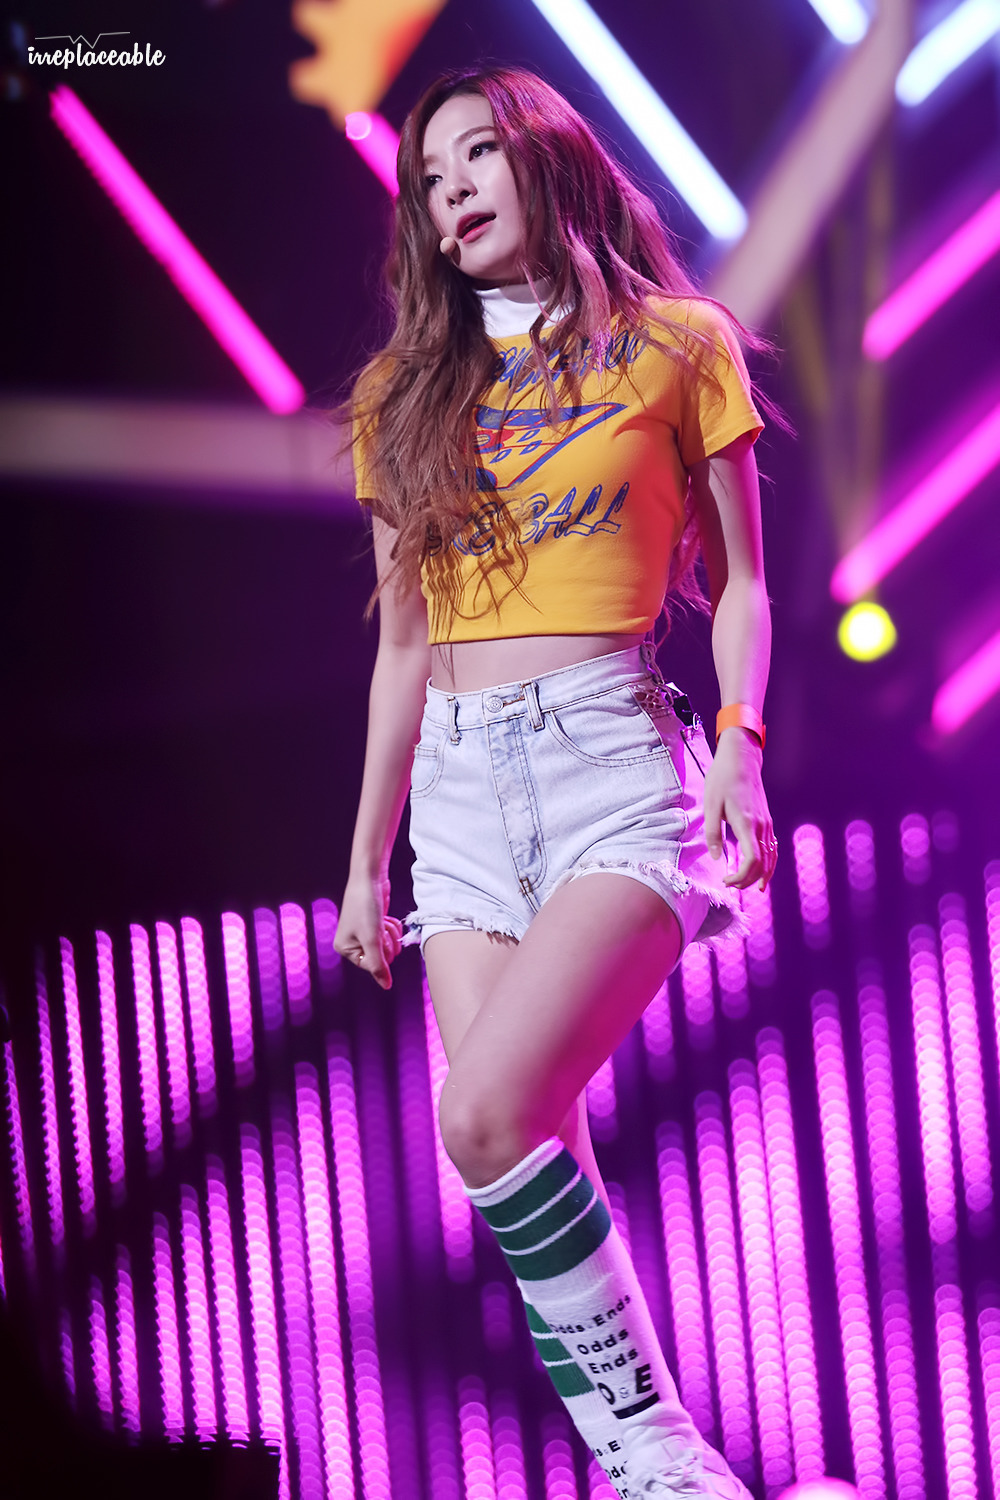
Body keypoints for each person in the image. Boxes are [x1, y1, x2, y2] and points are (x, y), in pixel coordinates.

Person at [334, 63, 777, 1500]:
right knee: (524, 1146)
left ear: (546, 159)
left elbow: (748, 584)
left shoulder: (678, 345)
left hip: (611, 767)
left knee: (479, 1118)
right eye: (427, 178)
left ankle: (653, 1454)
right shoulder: (405, 395)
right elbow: (404, 648)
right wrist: (366, 861)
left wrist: (742, 742)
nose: (449, 191)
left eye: (474, 156)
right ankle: (653, 1469)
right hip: (457, 803)